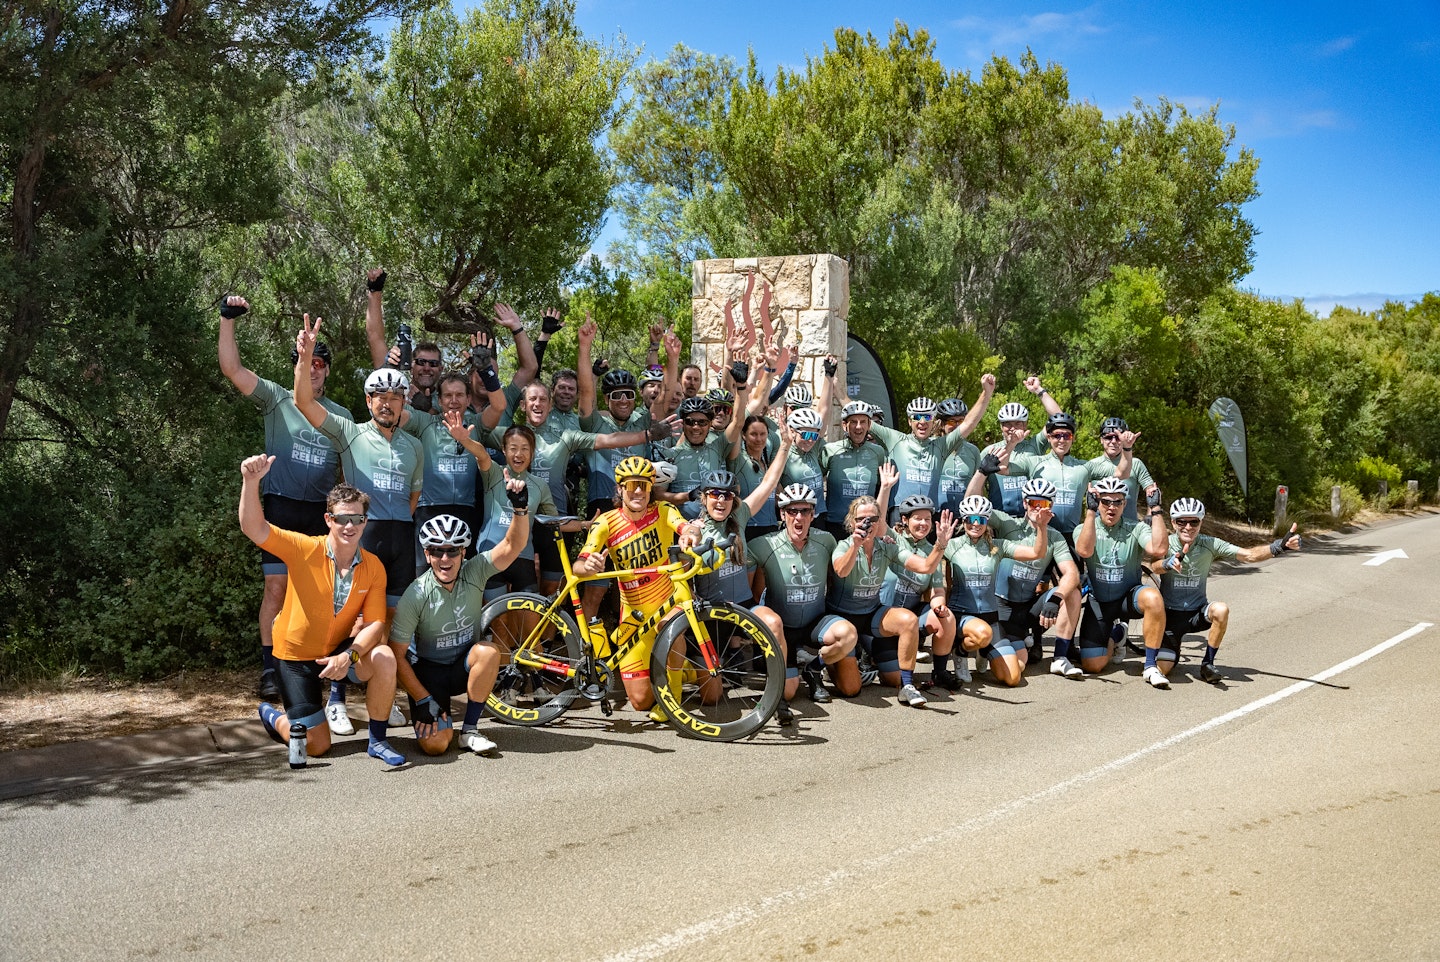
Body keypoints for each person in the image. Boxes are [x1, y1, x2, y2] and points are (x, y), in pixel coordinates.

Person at [217, 295, 352, 700]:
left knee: (322, 594)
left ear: (326, 371)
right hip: (280, 505)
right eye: (306, 360)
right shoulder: (277, 396)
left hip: (320, 513)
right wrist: (227, 320)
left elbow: (352, 467)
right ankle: (270, 668)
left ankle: (316, 666)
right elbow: (232, 369)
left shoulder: (340, 414)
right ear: (296, 363)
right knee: (276, 590)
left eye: (319, 364)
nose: (312, 369)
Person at [293, 314, 423, 735]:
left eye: (395, 397)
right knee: (349, 619)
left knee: (387, 620)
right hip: (360, 536)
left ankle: (381, 693)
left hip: (401, 536)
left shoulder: (415, 446)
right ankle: (335, 699)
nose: (387, 403)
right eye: (379, 397)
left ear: (404, 404)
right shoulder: (349, 432)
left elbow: (413, 497)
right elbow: (304, 403)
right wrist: (306, 356)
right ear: (368, 403)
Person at [238, 456, 405, 767]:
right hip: (295, 657)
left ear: (365, 522)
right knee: (317, 746)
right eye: (342, 519)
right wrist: (251, 483)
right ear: (328, 519)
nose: (349, 526)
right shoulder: (304, 549)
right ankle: (275, 717)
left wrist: (350, 655)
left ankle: (378, 740)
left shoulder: (373, 566)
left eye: (356, 519)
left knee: (383, 656)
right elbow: (254, 528)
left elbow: (375, 623)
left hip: (339, 652)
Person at [388, 496, 530, 757]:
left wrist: (520, 509)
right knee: (437, 745)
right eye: (437, 551)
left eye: (453, 550)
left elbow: (513, 545)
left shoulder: (474, 571)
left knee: (488, 651)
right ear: (427, 554)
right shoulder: (416, 594)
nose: (445, 558)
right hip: (429, 675)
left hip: (463, 665)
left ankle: (470, 731)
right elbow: (397, 655)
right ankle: (444, 724)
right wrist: (421, 698)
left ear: (463, 552)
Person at [573, 457, 705, 719]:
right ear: (620, 489)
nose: (637, 491)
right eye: (631, 485)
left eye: (643, 486)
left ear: (650, 489)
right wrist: (588, 567)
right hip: (634, 616)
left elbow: (686, 527)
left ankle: (673, 701)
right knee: (641, 701)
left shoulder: (664, 510)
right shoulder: (606, 522)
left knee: (670, 627)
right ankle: (685, 668)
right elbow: (579, 563)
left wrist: (692, 534)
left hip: (668, 601)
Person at [1155, 499, 1302, 683]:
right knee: (1164, 669)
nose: (1188, 527)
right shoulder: (1166, 544)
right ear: (1173, 522)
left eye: (1194, 522)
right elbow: (1152, 566)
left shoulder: (1209, 543)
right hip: (1169, 616)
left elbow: (1249, 555)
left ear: (1201, 522)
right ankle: (1170, 650)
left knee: (1221, 609)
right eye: (1181, 521)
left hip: (1196, 613)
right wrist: (1166, 564)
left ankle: (1208, 663)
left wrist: (1279, 546)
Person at [750, 483, 859, 707]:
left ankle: (814, 667)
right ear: (782, 513)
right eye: (792, 511)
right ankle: (795, 662)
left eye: (805, 511)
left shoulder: (827, 540)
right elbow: (748, 586)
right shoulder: (764, 544)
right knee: (787, 694)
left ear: (813, 514)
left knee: (851, 684)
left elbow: (842, 565)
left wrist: (884, 539)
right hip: (784, 630)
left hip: (815, 623)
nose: (798, 517)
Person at [400, 366, 507, 568]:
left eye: (459, 395)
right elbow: (395, 414)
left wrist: (487, 371)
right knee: (424, 573)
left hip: (466, 509)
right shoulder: (425, 422)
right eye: (448, 395)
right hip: (429, 508)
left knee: (464, 574)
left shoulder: (476, 423)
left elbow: (499, 406)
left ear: (468, 399)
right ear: (438, 400)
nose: (454, 400)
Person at [983, 478, 1083, 685]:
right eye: (1032, 502)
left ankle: (1060, 657)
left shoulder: (1055, 537)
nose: (1037, 508)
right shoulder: (1007, 523)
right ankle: (984, 647)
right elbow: (972, 503)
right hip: (999, 604)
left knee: (1072, 592)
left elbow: (1071, 573)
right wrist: (983, 473)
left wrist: (1055, 598)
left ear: (1051, 506)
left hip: (1026, 607)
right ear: (1024, 503)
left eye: (1043, 504)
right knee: (1016, 669)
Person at [1073, 476, 1169, 684]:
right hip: (1099, 601)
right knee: (1093, 665)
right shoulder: (1084, 528)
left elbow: (1159, 549)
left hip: (1128, 598)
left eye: (1117, 502)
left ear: (1125, 504)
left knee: (1153, 597)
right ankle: (1117, 635)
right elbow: (1084, 550)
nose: (1111, 507)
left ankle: (1151, 665)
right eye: (1105, 501)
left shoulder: (1136, 528)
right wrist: (1090, 512)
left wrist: (1157, 509)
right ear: (1097, 503)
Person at [869, 378, 993, 523]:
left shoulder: (941, 445)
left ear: (934, 421)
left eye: (927, 417)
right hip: (899, 511)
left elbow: (969, 424)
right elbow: (860, 417)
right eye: (916, 417)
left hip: (928, 513)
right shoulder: (895, 439)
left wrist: (986, 393)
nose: (922, 422)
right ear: (910, 421)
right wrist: (837, 386)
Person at [879, 495, 961, 687]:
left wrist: (939, 605)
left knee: (946, 618)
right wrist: (885, 488)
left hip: (912, 615)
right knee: (894, 680)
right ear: (905, 520)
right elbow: (879, 521)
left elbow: (937, 590)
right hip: (885, 615)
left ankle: (939, 672)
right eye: (918, 518)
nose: (923, 523)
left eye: (927, 519)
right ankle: (868, 657)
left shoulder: (932, 551)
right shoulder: (893, 539)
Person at [821, 400, 887, 538]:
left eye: (863, 421)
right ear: (845, 425)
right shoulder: (831, 450)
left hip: (866, 523)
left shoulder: (878, 452)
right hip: (835, 523)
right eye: (853, 422)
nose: (858, 427)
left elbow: (881, 486)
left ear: (869, 425)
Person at [1086, 417, 1160, 524]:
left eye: (1118, 438)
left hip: (1130, 528)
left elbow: (1152, 490)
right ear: (1101, 440)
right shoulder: (1091, 465)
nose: (1114, 441)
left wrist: (1150, 516)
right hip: (1099, 528)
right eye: (1109, 438)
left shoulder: (1136, 464)